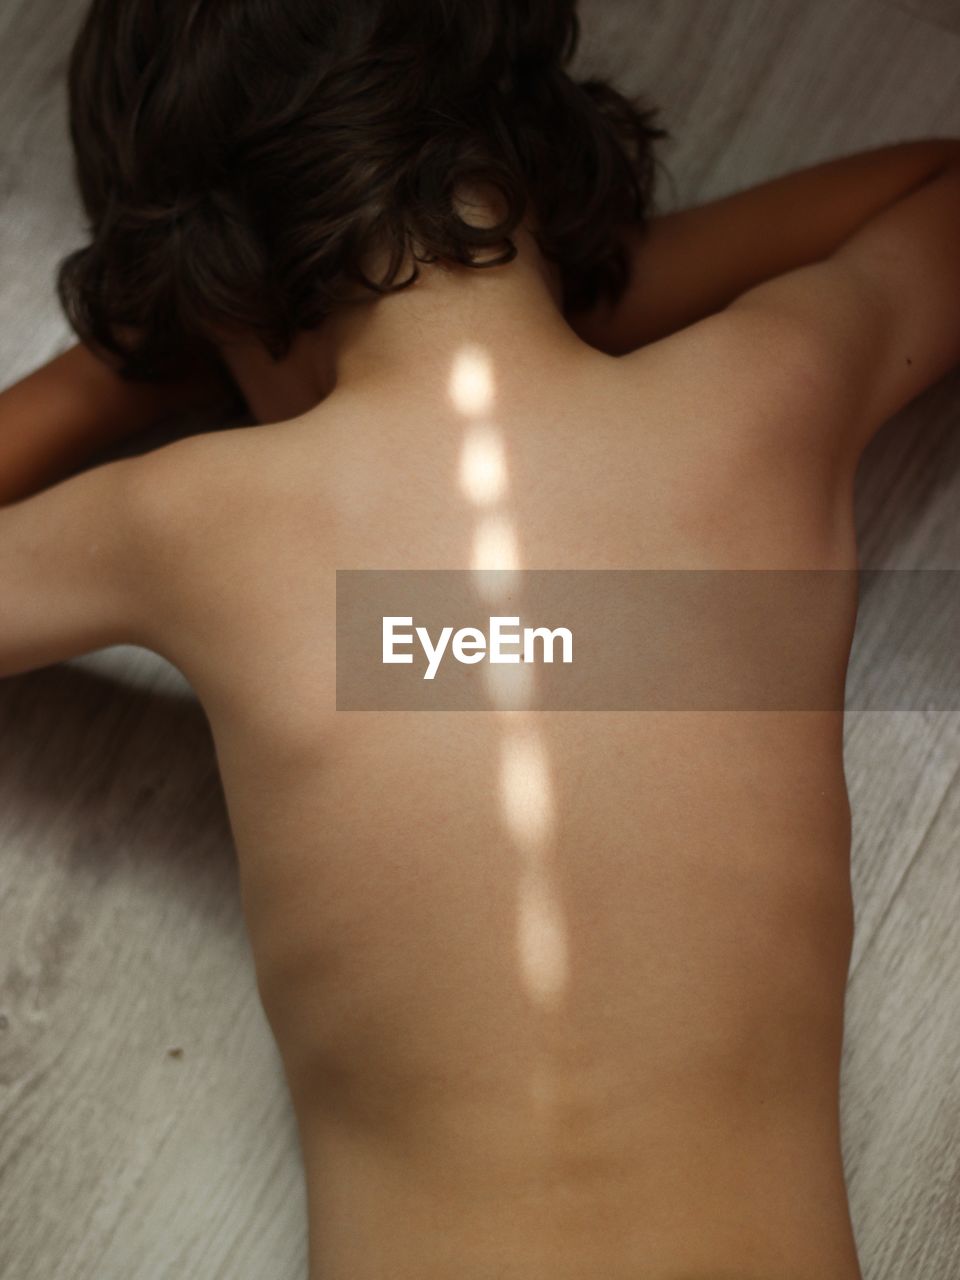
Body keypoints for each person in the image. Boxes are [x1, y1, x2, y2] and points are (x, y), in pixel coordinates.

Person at [1, 1, 958, 1276]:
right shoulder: (766, 393)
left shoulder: (194, 516)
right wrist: (585, 293)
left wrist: (124, 366)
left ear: (201, 277)